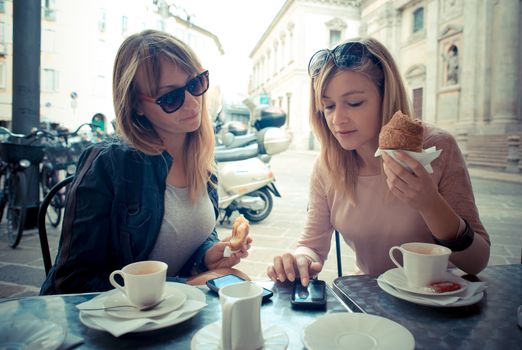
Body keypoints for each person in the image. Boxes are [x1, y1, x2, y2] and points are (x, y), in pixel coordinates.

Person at [41, 30, 251, 294]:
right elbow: (72, 281)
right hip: (110, 326)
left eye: (196, 83)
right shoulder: (109, 164)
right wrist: (183, 287)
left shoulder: (200, 157)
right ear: (136, 104)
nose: (192, 102)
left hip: (171, 318)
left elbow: (189, 234)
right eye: (170, 97)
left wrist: (206, 256)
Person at [267, 38, 490, 287]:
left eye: (354, 103)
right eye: (328, 106)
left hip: (439, 298)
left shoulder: (437, 148)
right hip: (370, 300)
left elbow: (477, 261)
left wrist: (429, 204)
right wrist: (299, 261)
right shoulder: (327, 165)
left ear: (386, 96)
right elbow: (311, 246)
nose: (337, 119)